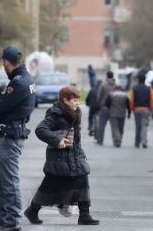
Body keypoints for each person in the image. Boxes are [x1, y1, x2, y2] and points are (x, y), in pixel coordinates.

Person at [23, 86, 99, 226]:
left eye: (78, 100)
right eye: (74, 100)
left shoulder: (75, 113)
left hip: (75, 154)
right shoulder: (56, 114)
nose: (77, 103)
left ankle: (84, 214)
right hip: (59, 158)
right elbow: (40, 130)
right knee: (49, 185)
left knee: (82, 179)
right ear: (65, 100)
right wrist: (57, 139)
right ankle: (32, 210)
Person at [0, 46, 36, 231]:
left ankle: (12, 221)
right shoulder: (25, 78)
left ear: (6, 62)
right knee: (0, 181)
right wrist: (3, 99)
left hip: (11, 136)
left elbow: (2, 106)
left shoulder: (19, 82)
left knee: (9, 181)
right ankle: (4, 217)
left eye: (3, 62)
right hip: (9, 134)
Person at [129, 73, 153, 148]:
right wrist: (151, 109)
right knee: (144, 126)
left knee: (138, 126)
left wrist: (132, 108)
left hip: (137, 110)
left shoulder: (134, 88)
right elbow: (152, 100)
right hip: (146, 110)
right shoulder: (148, 89)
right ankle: (144, 142)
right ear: (145, 79)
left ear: (138, 80)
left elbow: (131, 100)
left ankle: (137, 142)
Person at [105, 83, 130, 148]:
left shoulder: (111, 95)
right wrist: (129, 114)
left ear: (114, 88)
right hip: (122, 114)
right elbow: (128, 106)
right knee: (121, 128)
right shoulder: (125, 95)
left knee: (114, 128)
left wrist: (108, 110)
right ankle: (119, 140)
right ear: (121, 88)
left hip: (113, 114)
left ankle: (117, 140)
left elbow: (106, 104)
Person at [93, 71, 115, 146]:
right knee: (114, 126)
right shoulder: (116, 85)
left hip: (104, 107)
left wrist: (99, 104)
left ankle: (100, 140)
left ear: (106, 76)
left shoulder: (103, 85)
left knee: (102, 125)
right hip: (113, 108)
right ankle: (116, 140)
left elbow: (98, 96)